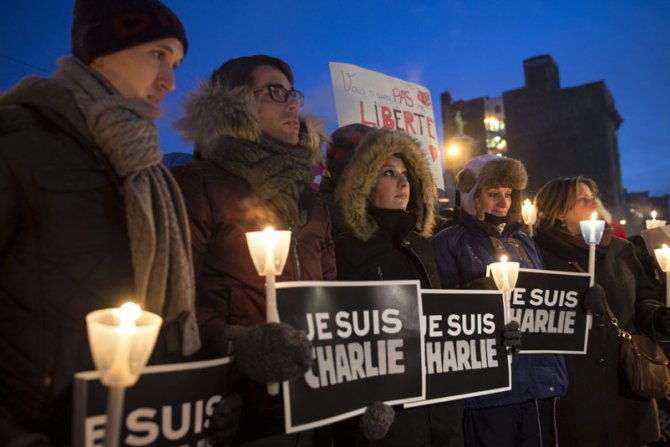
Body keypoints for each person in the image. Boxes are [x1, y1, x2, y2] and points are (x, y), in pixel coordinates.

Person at [0, 0, 204, 444]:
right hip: (43, 422)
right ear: (100, 50)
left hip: (137, 420)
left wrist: (199, 403)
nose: (170, 81)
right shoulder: (16, 141)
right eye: (157, 54)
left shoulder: (146, 166)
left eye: (176, 63)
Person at [172, 55, 336, 445]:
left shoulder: (312, 203)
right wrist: (236, 344)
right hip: (233, 410)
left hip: (310, 404)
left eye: (292, 93)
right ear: (235, 103)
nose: (293, 104)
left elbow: (333, 299)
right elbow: (172, 299)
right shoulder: (196, 186)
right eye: (275, 92)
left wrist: (359, 393)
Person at [332, 128, 464, 446]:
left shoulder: (424, 244)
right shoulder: (347, 249)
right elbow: (340, 341)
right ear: (363, 183)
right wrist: (360, 407)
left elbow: (445, 325)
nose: (403, 183)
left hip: (441, 417)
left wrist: (493, 331)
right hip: (390, 423)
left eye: (406, 174)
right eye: (389, 173)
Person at [431, 154, 567, 447]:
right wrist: (473, 297)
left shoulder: (524, 240)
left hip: (538, 379)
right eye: (494, 194)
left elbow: (541, 298)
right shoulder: (449, 240)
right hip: (490, 389)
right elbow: (439, 309)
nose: (503, 201)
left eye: (508, 194)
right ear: (472, 194)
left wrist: (577, 303)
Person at [533, 176, 670, 446]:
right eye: (582, 200)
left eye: (593, 196)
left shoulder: (621, 250)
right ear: (559, 213)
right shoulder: (539, 255)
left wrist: (658, 317)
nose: (593, 201)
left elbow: (644, 299)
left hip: (626, 388)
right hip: (575, 393)